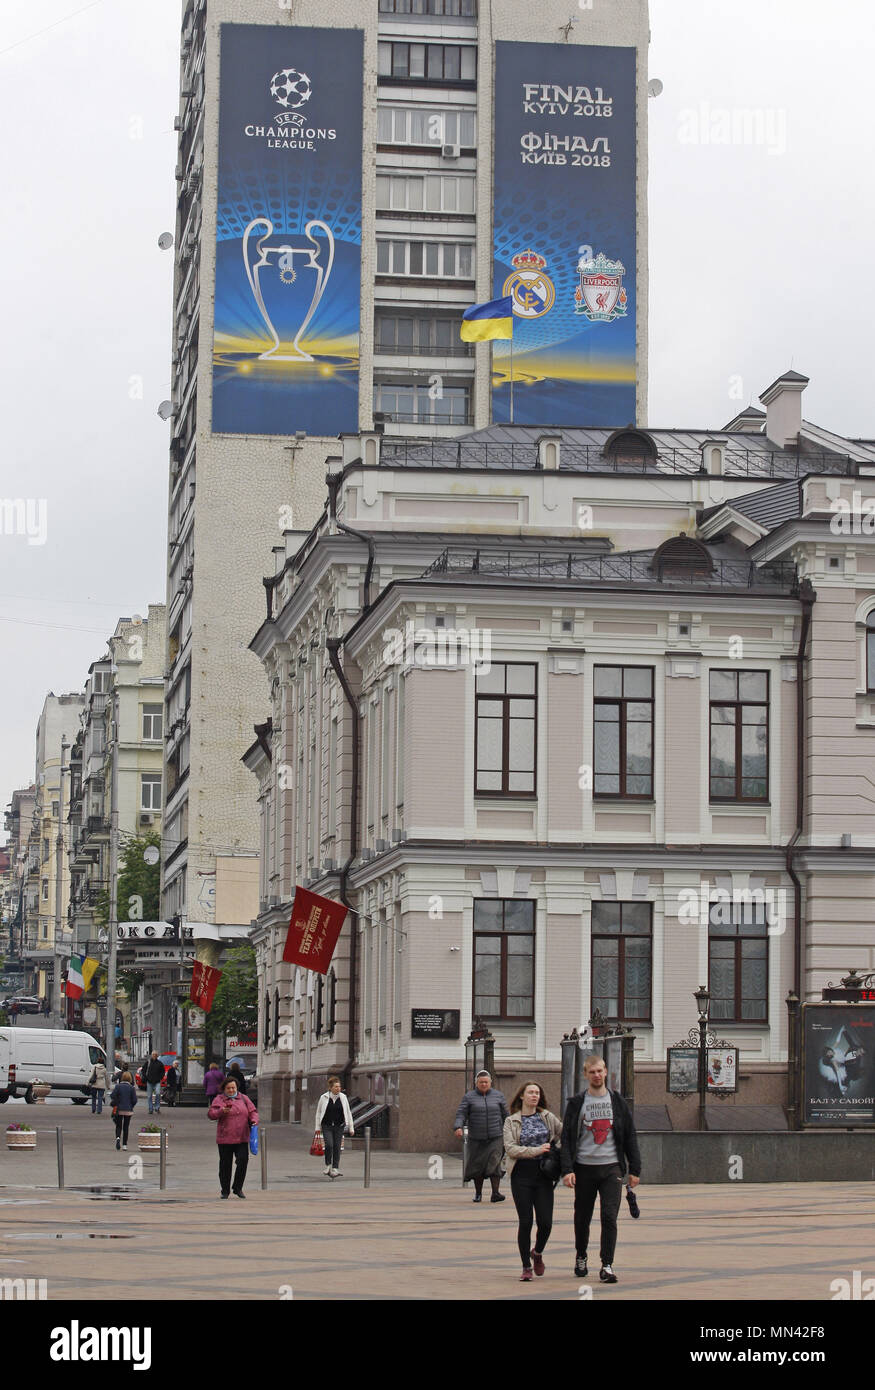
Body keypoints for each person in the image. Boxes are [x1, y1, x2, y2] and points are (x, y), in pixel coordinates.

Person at [561, 1053, 641, 1284]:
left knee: (609, 1216)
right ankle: (581, 1255)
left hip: (611, 1168)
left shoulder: (617, 1102)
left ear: (606, 1072)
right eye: (592, 1071)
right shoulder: (577, 1104)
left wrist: (635, 1169)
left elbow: (630, 1137)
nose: (597, 1075)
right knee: (582, 1217)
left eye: (600, 1071)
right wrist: (567, 1169)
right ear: (585, 1075)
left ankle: (607, 1264)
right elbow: (566, 1138)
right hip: (584, 1168)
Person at [503, 1082, 563, 1281]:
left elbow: (564, 1134)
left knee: (546, 1222)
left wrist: (555, 1150)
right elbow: (511, 1149)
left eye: (537, 1092)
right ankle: (526, 1267)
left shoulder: (547, 1116)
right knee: (526, 1221)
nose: (534, 1096)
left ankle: (537, 1252)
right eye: (530, 1092)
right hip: (521, 1174)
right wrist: (536, 1151)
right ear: (522, 1096)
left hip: (544, 1174)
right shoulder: (511, 1121)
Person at [454, 1070, 509, 1203]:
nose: (484, 1084)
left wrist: (511, 1130)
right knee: (477, 1166)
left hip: (496, 1136)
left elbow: (506, 1115)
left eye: (486, 1082)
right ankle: (478, 1194)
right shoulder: (469, 1097)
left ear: (491, 1083)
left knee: (495, 1164)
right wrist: (458, 1127)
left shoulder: (498, 1096)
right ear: (476, 1083)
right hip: (476, 1138)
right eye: (481, 1082)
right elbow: (461, 1113)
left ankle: (495, 1193)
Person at [208, 1076, 258, 1199]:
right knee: (225, 1165)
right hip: (225, 1138)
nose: (231, 1090)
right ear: (224, 1089)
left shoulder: (244, 1098)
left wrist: (254, 1120)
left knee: (242, 1161)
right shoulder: (219, 1099)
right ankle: (225, 1190)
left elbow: (253, 1112)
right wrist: (221, 1111)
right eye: (229, 1088)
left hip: (242, 1137)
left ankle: (237, 1187)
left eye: (233, 1088)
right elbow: (211, 1114)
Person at [314, 1076, 355, 1178]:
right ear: (330, 1087)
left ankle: (335, 1168)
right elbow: (318, 1113)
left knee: (337, 1147)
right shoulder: (323, 1097)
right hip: (326, 1126)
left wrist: (351, 1127)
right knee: (329, 1145)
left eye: (339, 1086)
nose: (338, 1088)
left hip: (339, 1126)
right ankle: (328, 1165)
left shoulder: (343, 1097)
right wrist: (317, 1128)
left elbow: (348, 1112)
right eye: (336, 1086)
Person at [109, 1070, 138, 1151]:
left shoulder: (118, 1086)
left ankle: (118, 1138)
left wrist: (117, 1101)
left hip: (119, 1109)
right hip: (128, 1110)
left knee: (118, 1125)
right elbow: (135, 1100)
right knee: (126, 1127)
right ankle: (125, 1145)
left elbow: (112, 1096)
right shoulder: (131, 1088)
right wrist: (131, 1105)